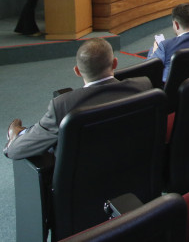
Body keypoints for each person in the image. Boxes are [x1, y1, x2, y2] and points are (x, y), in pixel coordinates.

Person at [4, 38, 152, 159]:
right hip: (135, 170)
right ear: (115, 63)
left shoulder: (63, 105)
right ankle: (22, 132)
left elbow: (16, 151)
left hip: (85, 186)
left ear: (77, 71)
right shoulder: (143, 86)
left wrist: (13, 141)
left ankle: (20, 133)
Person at [148, 3, 189, 82]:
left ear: (176, 24)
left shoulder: (165, 46)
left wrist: (153, 50)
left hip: (172, 92)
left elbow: (149, 69)